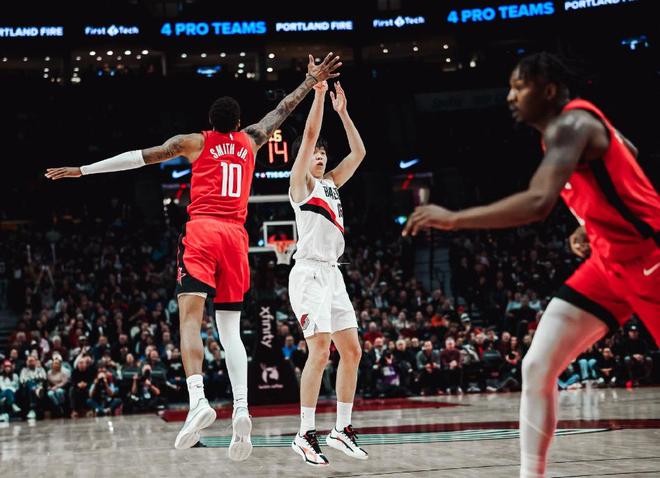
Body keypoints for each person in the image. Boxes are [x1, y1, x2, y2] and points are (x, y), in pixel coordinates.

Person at [45, 52, 341, 458]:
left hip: (202, 232)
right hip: (236, 238)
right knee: (231, 330)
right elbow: (283, 108)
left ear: (211, 121)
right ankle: (242, 408)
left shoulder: (194, 142)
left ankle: (198, 399)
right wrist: (310, 82)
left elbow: (138, 157)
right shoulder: (252, 139)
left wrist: (83, 170)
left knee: (189, 319)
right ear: (238, 122)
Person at [403, 52, 660, 478]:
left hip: (651, 258)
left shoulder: (572, 124)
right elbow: (626, 149)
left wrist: (453, 219)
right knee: (537, 365)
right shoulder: (568, 132)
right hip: (609, 262)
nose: (510, 96)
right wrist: (590, 223)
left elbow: (539, 203)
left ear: (549, 90)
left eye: (519, 87)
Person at [288, 79, 367, 466]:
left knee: (352, 351)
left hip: (333, 274)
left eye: (323, 153)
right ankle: (304, 434)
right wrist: (319, 95)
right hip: (308, 275)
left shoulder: (332, 182)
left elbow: (360, 152)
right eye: (315, 153)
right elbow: (308, 135)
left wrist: (343, 113)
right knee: (319, 351)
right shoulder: (301, 186)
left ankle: (341, 429)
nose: (318, 155)